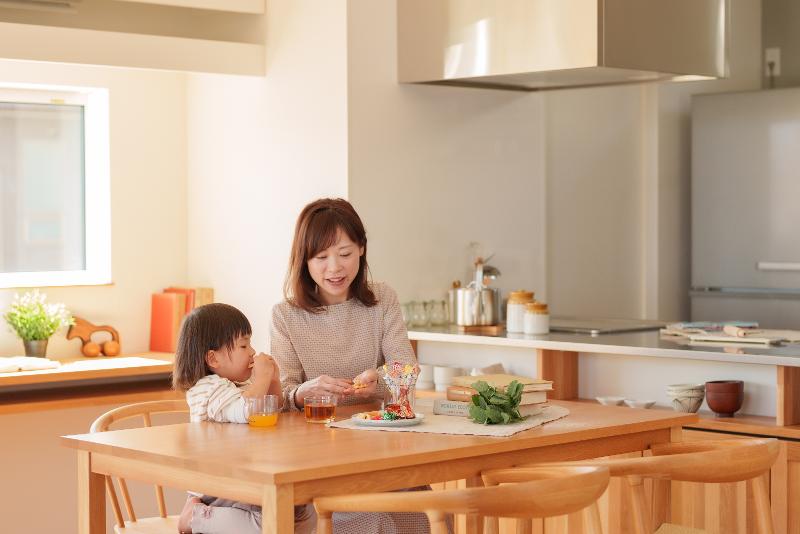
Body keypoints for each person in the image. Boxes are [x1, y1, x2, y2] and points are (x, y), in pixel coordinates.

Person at [272, 198, 447, 534]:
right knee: (369, 520)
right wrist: (302, 393)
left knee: (424, 515)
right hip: (317, 462)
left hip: (381, 453)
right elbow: (282, 394)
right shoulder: (285, 315)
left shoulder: (382, 300)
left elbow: (405, 368)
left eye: (345, 253)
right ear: (304, 260)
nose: (335, 268)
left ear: (362, 249)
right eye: (321, 257)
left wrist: (379, 380)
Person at [172, 303, 313, 534]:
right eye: (243, 345)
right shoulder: (207, 388)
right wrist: (261, 379)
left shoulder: (239, 385)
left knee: (302, 510)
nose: (252, 352)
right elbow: (248, 411)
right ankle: (195, 517)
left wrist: (274, 381)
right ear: (213, 359)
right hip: (216, 483)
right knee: (265, 524)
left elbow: (271, 409)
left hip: (245, 474)